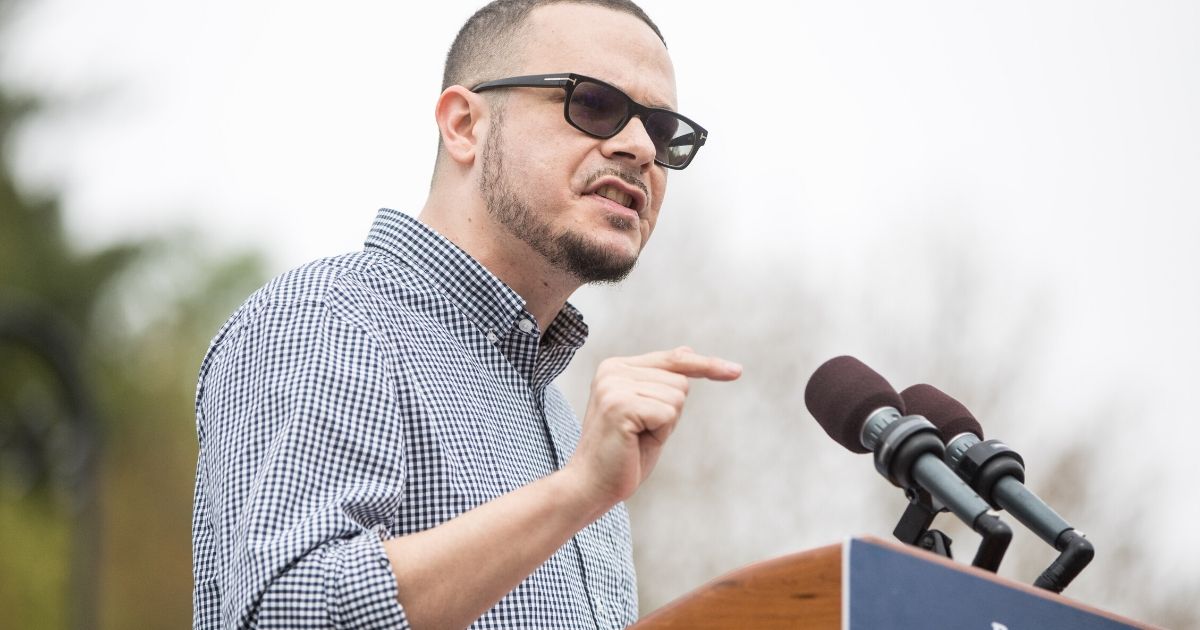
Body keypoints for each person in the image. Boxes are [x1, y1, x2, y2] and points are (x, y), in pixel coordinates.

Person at [191, 1, 741, 628]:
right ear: (463, 125)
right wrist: (576, 493)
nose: (641, 147)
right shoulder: (327, 319)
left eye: (664, 131)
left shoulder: (570, 429)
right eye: (593, 104)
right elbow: (289, 615)